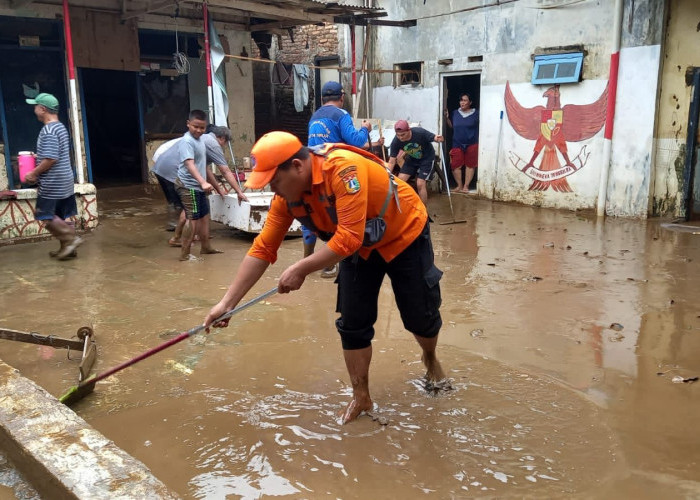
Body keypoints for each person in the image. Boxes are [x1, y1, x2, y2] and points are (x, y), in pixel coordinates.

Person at [203, 131, 447, 424]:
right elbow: (264, 248)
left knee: (419, 316)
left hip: (404, 233)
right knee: (352, 323)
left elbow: (346, 240)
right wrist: (227, 303)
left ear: (297, 166)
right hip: (361, 243)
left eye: (274, 181)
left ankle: (430, 358)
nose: (273, 190)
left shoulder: (343, 170)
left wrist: (301, 268)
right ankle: (361, 396)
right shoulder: (286, 199)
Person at [303, 81, 376, 279]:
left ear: (322, 99)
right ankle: (328, 266)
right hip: (335, 171)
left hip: (312, 170)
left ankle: (306, 263)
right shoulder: (341, 115)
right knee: (337, 216)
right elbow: (357, 141)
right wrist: (366, 129)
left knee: (311, 215)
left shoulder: (315, 116)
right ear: (342, 98)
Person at [152, 125, 248, 247]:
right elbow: (225, 171)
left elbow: (205, 169)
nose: (223, 146)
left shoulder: (202, 139)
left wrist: (218, 189)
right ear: (222, 138)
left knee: (190, 208)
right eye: (225, 143)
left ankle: (195, 236)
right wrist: (239, 192)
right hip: (176, 172)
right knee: (191, 210)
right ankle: (180, 239)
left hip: (162, 168)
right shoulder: (213, 144)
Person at [24, 92, 82, 260]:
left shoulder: (48, 130)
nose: (34, 109)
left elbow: (51, 158)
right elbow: (55, 154)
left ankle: (72, 240)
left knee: (46, 216)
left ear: (42, 109)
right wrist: (39, 157)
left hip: (53, 182)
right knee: (60, 217)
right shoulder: (60, 127)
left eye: (35, 106)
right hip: (65, 180)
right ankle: (68, 249)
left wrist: (34, 172)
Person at [174, 110, 226, 261]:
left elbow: (204, 166)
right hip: (188, 186)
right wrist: (203, 182)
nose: (198, 130)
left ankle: (206, 247)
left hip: (198, 186)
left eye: (202, 128)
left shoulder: (200, 140)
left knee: (204, 216)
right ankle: (184, 254)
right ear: (188, 124)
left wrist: (214, 186)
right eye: (195, 126)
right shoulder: (187, 141)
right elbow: (190, 164)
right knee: (193, 219)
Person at [387, 120, 444, 206]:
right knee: (399, 181)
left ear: (409, 130)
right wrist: (386, 174)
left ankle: (423, 211)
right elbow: (391, 162)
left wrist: (439, 138)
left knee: (420, 183)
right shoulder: (396, 141)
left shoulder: (419, 132)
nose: (401, 138)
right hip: (412, 159)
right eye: (398, 135)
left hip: (427, 158)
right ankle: (402, 205)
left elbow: (435, 137)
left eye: (403, 135)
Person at [444, 93, 479, 193]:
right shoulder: (455, 113)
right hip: (457, 143)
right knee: (455, 165)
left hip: (472, 143)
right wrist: (447, 118)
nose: (462, 102)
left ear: (470, 102)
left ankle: (466, 186)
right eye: (461, 100)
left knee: (470, 165)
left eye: (465, 100)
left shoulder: (476, 113)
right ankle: (459, 185)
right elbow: (452, 127)